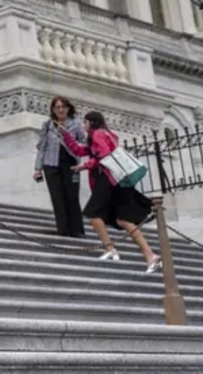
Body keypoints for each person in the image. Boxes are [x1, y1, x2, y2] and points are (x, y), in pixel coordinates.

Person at [60, 110, 162, 273]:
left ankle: (110, 248)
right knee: (123, 220)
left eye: (85, 122)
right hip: (118, 181)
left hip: (107, 179)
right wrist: (66, 136)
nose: (83, 125)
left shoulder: (97, 135)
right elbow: (81, 151)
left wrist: (84, 166)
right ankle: (150, 255)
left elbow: (103, 156)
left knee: (92, 213)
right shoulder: (104, 135)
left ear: (91, 122)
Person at [34, 96, 86, 237]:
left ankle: (77, 230)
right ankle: (63, 230)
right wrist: (37, 168)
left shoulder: (76, 124)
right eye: (57, 107)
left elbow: (84, 142)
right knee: (57, 198)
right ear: (53, 109)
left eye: (63, 106)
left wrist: (69, 139)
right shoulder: (48, 125)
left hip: (71, 165)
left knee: (72, 196)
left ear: (68, 108)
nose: (61, 110)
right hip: (51, 165)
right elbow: (42, 148)